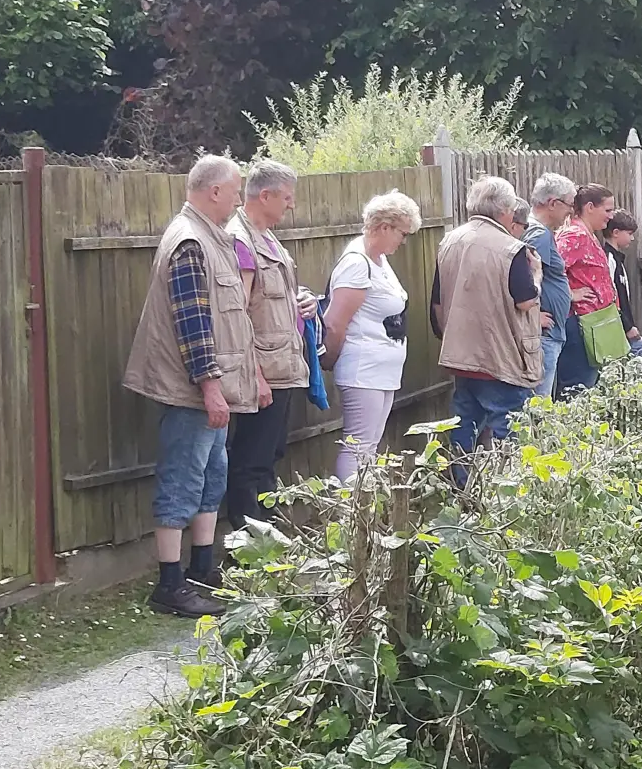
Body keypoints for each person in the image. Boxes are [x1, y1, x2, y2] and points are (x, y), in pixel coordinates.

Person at [122, 155, 257, 617]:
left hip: (208, 388)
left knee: (210, 477)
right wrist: (210, 387)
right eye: (237, 189)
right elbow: (194, 324)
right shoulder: (190, 241)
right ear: (214, 191)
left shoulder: (211, 236)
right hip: (191, 390)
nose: (241, 198)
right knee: (181, 480)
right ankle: (169, 584)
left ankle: (202, 569)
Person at [224, 159, 319, 528]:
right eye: (286, 197)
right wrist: (255, 376)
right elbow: (238, 314)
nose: (291, 205)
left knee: (271, 453)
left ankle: (268, 538)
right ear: (264, 196)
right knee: (251, 459)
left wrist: (304, 301)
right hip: (264, 371)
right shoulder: (240, 241)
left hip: (284, 366)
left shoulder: (267, 236)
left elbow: (272, 298)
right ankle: (249, 546)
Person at [432, 176, 543, 452]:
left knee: (464, 424)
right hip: (500, 358)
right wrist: (537, 275)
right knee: (511, 431)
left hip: (460, 355)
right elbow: (526, 301)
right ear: (506, 210)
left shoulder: (449, 241)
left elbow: (437, 300)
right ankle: (509, 491)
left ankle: (462, 487)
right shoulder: (511, 249)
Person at [322, 189, 422, 481]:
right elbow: (334, 323)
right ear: (384, 227)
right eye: (402, 234)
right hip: (362, 368)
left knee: (369, 447)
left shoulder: (378, 257)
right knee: (358, 446)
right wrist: (329, 359)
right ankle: (348, 517)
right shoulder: (357, 263)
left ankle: (362, 515)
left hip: (382, 368)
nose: (404, 241)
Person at [522, 173, 592, 398]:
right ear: (553, 203)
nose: (570, 213)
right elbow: (525, 278)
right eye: (569, 206)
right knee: (538, 405)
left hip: (548, 333)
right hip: (543, 335)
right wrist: (535, 316)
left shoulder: (540, 232)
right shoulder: (539, 234)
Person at [555, 184, 619, 393]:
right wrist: (570, 294)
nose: (611, 216)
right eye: (607, 210)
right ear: (590, 207)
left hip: (595, 323)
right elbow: (550, 271)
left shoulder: (587, 233)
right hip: (580, 323)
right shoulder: (575, 235)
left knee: (588, 384)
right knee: (578, 387)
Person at [602, 209, 642, 362]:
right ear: (615, 232)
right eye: (629, 233)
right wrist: (627, 326)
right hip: (617, 327)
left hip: (622, 326)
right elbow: (610, 297)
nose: (632, 238)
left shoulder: (617, 259)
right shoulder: (609, 259)